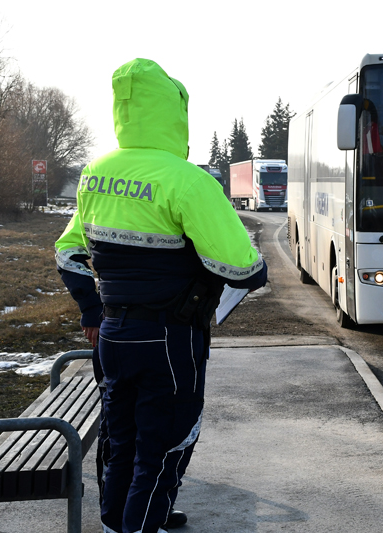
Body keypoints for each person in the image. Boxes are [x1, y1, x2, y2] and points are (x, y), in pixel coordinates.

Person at [55, 58, 267, 533]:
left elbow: (68, 252)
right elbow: (241, 268)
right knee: (165, 445)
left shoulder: (94, 175)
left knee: (122, 441)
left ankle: (116, 525)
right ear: (174, 112)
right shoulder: (187, 180)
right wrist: (256, 268)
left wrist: (91, 307)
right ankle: (142, 525)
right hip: (170, 338)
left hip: (113, 333)